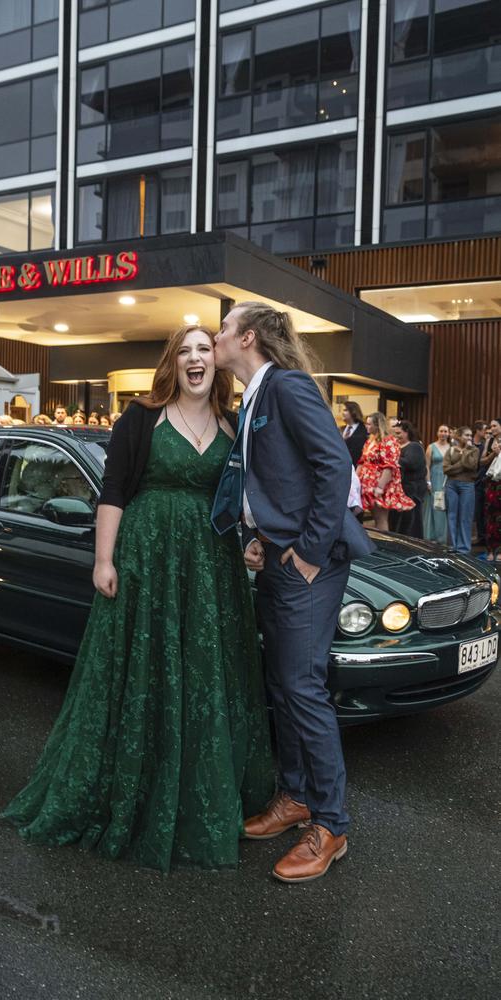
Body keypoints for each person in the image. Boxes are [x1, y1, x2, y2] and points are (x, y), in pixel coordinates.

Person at [2, 324, 274, 872]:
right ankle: (139, 792)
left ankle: (205, 797)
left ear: (216, 363)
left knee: (204, 675)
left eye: (205, 350)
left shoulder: (235, 423)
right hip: (147, 560)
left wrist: (257, 539)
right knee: (144, 673)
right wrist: (104, 560)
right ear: (171, 364)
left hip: (211, 567)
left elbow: (252, 491)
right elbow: (115, 491)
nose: (196, 359)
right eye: (185, 352)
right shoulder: (141, 418)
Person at [211, 301, 373, 884]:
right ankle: (297, 798)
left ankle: (331, 824)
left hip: (311, 564)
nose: (215, 337)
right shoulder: (254, 395)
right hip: (277, 558)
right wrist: (257, 536)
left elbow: (333, 465)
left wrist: (306, 550)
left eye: (223, 331)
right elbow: (275, 480)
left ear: (247, 337)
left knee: (303, 688)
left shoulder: (288, 386)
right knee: (283, 683)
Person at [357, 412, 414, 532]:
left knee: (381, 518)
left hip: (379, 484)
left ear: (377, 425)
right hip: (367, 484)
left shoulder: (388, 441)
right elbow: (362, 461)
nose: (366, 426)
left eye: (369, 424)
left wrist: (380, 487)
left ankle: (383, 545)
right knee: (374, 517)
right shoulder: (370, 440)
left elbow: (389, 466)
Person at [443, 426, 479, 554]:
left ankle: (463, 548)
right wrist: (461, 465)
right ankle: (452, 546)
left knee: (465, 517)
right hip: (451, 484)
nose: (469, 438)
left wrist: (465, 453)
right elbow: (446, 469)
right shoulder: (451, 450)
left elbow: (471, 465)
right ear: (459, 436)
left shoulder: (474, 450)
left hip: (467, 485)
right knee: (452, 516)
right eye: (467, 435)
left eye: (470, 435)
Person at [389, 420, 426, 538]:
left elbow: (411, 463)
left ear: (407, 432)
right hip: (400, 490)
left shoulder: (414, 446)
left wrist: (392, 460)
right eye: (395, 434)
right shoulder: (396, 447)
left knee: (411, 522)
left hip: (412, 490)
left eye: (399, 433)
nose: (396, 436)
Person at [423, 424, 450, 544]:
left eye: (445, 431)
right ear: (437, 433)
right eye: (441, 431)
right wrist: (428, 481)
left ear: (449, 433)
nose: (443, 433)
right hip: (434, 479)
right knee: (433, 507)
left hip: (447, 480)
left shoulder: (451, 447)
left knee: (444, 508)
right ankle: (430, 536)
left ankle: (442, 537)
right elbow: (427, 466)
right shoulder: (431, 447)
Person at [484, 426, 501, 561]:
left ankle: (500, 551)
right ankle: (490, 550)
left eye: (495, 425)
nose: (492, 428)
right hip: (492, 483)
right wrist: (494, 453)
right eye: (491, 426)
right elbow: (482, 461)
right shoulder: (489, 442)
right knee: (490, 517)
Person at [341, 401, 367, 467]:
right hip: (341, 467)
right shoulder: (340, 430)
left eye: (345, 410)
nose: (342, 413)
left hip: (357, 469)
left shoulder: (365, 430)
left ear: (353, 411)